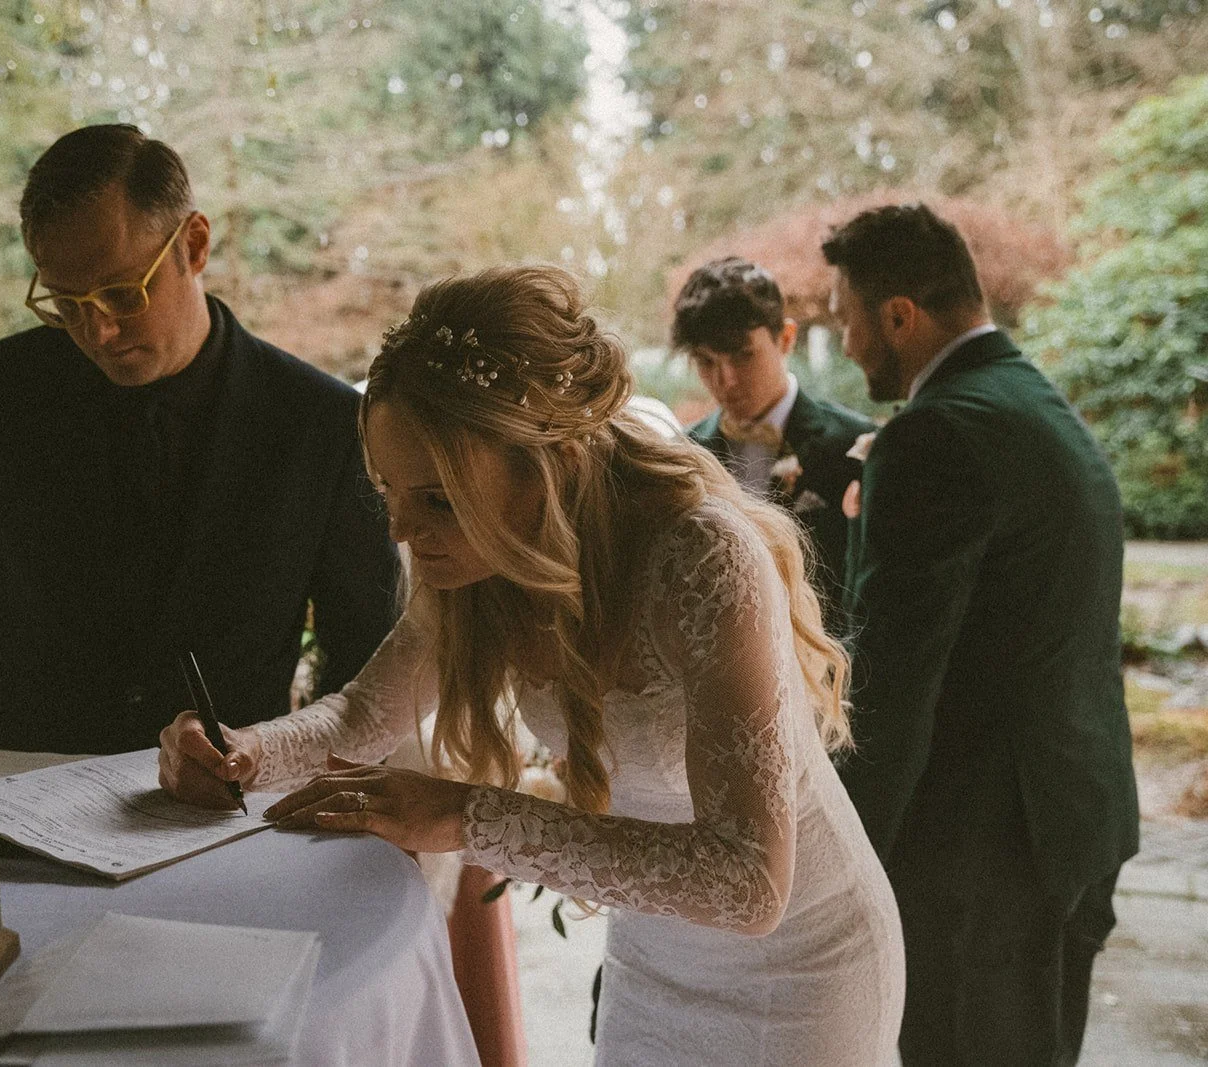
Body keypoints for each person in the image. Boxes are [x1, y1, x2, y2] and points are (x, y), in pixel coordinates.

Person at [159, 265, 904, 1065]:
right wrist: (247, 751)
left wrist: (465, 816)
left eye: (437, 498)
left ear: (549, 465)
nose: (401, 530)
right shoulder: (478, 565)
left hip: (804, 971)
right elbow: (364, 714)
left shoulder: (701, 559)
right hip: (652, 963)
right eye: (388, 489)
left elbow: (749, 881)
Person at [0, 126, 399, 754]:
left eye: (122, 294)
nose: (99, 332)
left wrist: (280, 770)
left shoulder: (324, 424)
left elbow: (365, 665)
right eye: (66, 304)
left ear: (194, 245)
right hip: (20, 790)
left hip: (233, 800)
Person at [824, 203, 1139, 1065]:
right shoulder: (1032, 401)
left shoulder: (934, 435)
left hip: (982, 857)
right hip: (1074, 816)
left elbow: (893, 682)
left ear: (899, 315)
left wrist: (837, 864)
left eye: (846, 318)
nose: (845, 344)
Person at [675, 257, 874, 632]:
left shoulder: (853, 445)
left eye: (743, 355)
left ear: (786, 338)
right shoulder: (684, 456)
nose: (726, 380)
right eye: (706, 361)